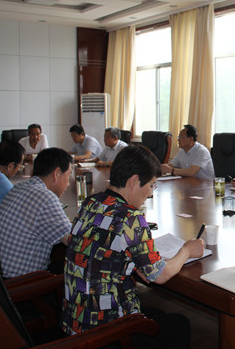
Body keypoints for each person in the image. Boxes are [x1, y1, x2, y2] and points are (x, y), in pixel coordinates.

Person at [62, 145, 204, 348]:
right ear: (134, 181)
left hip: (75, 323)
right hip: (108, 331)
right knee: (179, 324)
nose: (150, 193)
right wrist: (187, 250)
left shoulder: (91, 203)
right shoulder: (130, 218)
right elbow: (160, 275)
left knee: (161, 315)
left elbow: (106, 249)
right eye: (152, 185)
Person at [0, 148, 73, 278]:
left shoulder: (19, 187)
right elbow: (74, 242)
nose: (68, 183)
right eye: (68, 175)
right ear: (57, 173)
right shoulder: (45, 197)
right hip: (22, 282)